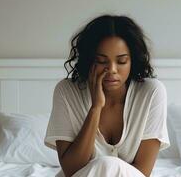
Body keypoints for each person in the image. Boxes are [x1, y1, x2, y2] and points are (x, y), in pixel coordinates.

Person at [44, 14, 170, 177]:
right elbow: (71, 170)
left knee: (109, 164)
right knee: (106, 163)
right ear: (89, 61)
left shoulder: (151, 93)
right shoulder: (67, 91)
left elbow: (142, 172)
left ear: (133, 61)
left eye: (122, 61)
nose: (111, 69)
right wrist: (95, 108)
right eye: (101, 61)